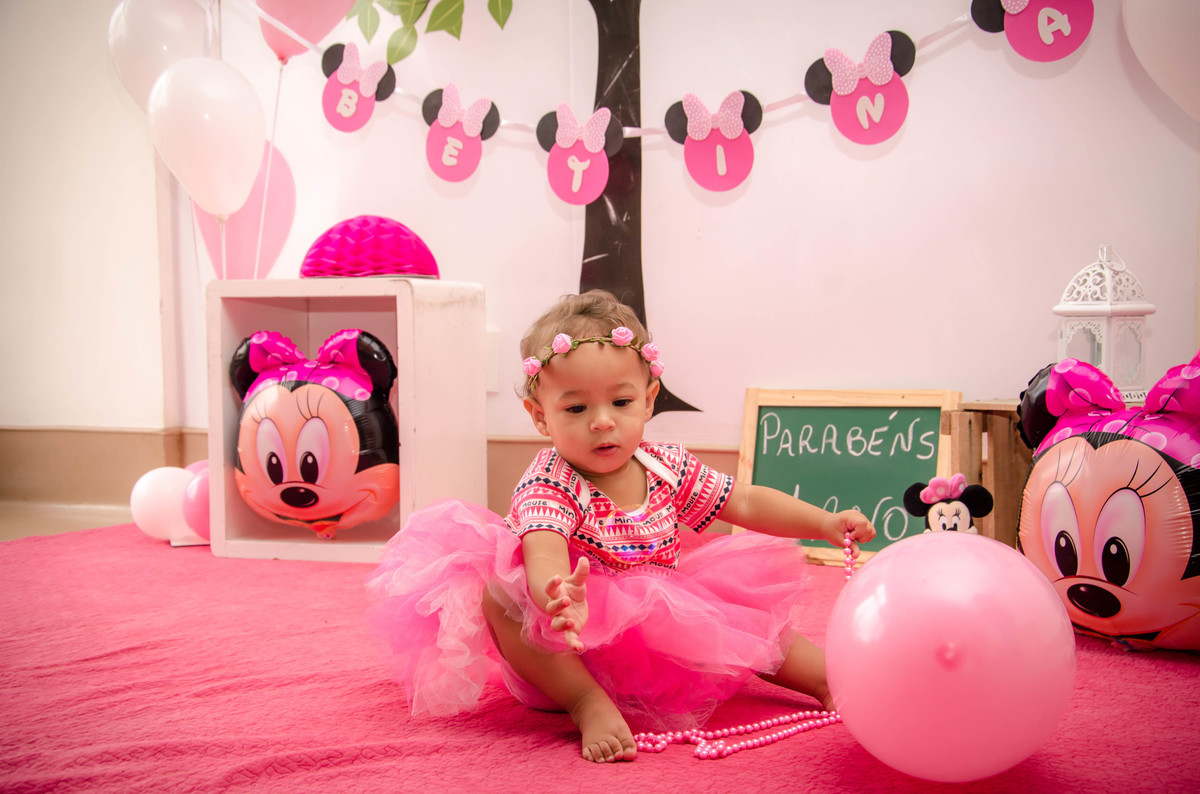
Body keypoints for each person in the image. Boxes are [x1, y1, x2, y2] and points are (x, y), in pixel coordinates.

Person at [365, 290, 875, 763]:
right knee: (500, 594)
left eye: (621, 402)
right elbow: (543, 547)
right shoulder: (551, 481)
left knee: (741, 617)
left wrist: (823, 522)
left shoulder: (664, 465)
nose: (603, 421)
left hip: (661, 632)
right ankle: (587, 702)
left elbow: (741, 499)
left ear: (649, 400)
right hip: (574, 640)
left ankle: (828, 680)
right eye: (576, 407)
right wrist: (556, 593)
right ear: (540, 416)